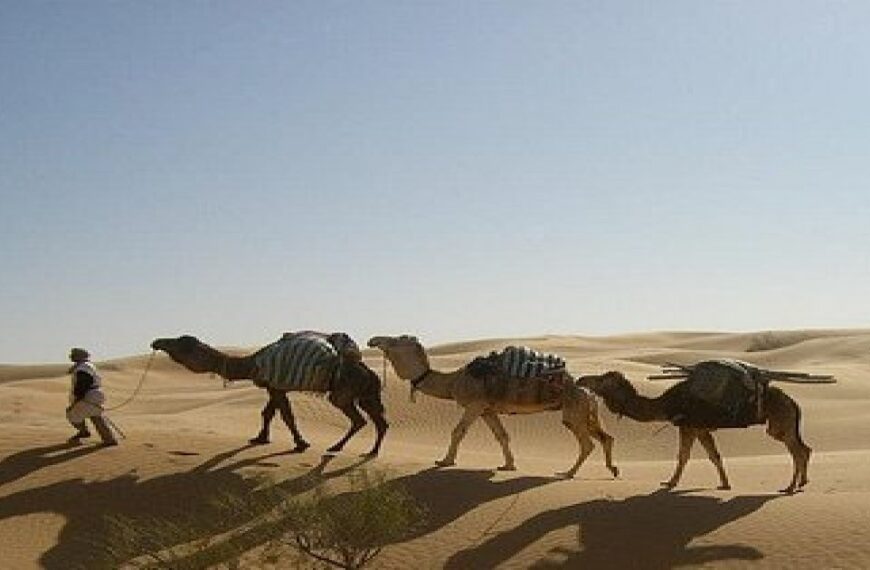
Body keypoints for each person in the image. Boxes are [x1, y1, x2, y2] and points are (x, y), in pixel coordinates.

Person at [66, 348, 117, 445]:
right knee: (95, 416)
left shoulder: (83, 368)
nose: (71, 356)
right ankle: (107, 439)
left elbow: (83, 383)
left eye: (74, 354)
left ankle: (86, 433)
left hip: (88, 395)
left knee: (72, 414)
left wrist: (78, 398)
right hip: (93, 394)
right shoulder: (85, 366)